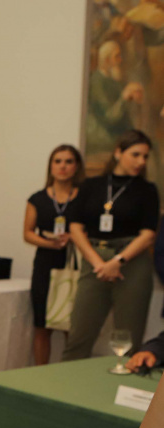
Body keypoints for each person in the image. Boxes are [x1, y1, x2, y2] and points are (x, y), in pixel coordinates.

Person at [63, 130, 159, 361]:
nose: (141, 161)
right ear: (118, 152)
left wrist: (118, 262)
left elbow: (148, 234)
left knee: (128, 339)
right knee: (78, 335)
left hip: (132, 263)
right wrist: (98, 263)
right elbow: (75, 227)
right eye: (135, 154)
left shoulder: (147, 190)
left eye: (145, 157)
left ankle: (123, 393)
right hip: (94, 260)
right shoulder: (90, 186)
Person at [23, 145, 84, 365]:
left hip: (75, 261)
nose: (63, 166)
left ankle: (69, 376)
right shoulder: (37, 198)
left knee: (72, 324)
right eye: (58, 161)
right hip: (45, 263)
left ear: (76, 166)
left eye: (68, 161)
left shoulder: (84, 196)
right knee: (42, 325)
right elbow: (27, 234)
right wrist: (50, 243)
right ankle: (40, 374)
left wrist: (74, 237)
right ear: (51, 165)